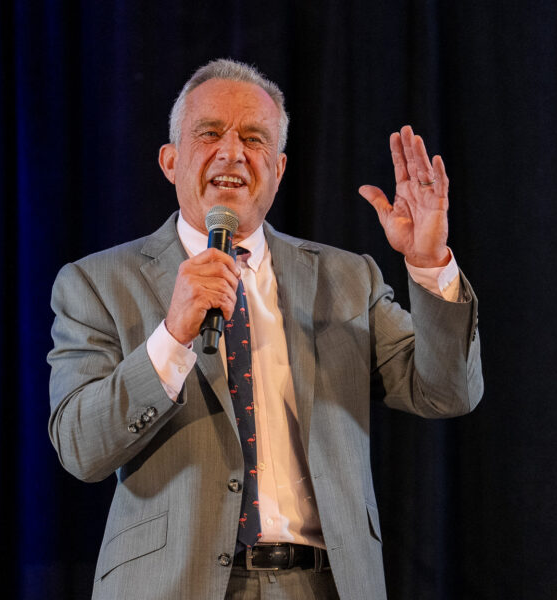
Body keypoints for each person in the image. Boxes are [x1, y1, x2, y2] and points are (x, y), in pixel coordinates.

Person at [47, 58, 483, 600]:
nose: (232, 152)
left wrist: (430, 262)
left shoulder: (348, 278)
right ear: (169, 159)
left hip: (322, 584)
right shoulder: (96, 283)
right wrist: (173, 336)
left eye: (253, 138)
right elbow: (81, 447)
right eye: (210, 133)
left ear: (277, 169)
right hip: (172, 585)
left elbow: (447, 392)